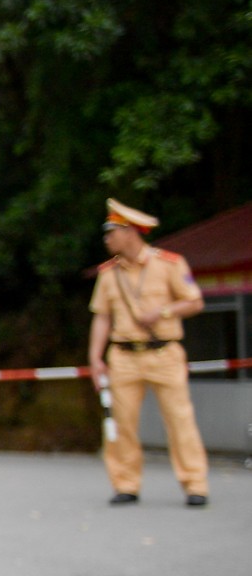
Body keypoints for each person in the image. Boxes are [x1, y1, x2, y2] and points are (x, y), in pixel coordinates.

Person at [87, 199, 209, 507]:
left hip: (164, 353)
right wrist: (95, 357)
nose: (106, 239)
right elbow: (101, 316)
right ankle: (125, 484)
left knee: (180, 420)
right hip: (124, 356)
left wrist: (163, 311)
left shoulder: (169, 263)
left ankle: (195, 484)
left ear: (129, 232)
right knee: (121, 423)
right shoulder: (108, 273)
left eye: (111, 232)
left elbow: (194, 301)